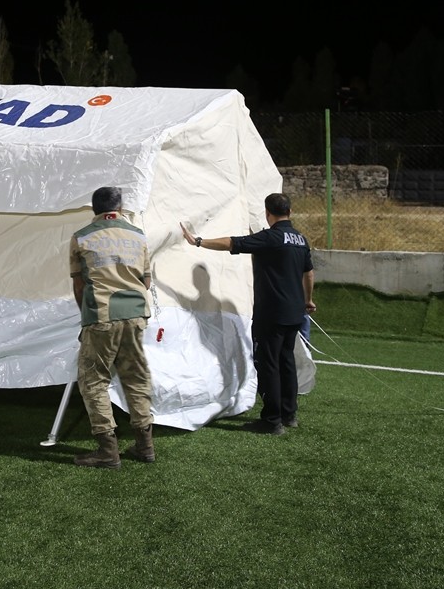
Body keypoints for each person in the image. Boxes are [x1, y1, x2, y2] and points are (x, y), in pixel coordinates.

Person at [180, 192, 315, 435]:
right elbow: (309, 272)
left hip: (272, 312)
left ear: (267, 213)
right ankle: (289, 413)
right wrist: (308, 299)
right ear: (290, 212)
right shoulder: (300, 239)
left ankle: (272, 420)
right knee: (286, 362)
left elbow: (232, 243)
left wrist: (198, 241)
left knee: (269, 364)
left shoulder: (271, 237)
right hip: (295, 312)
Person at [69, 186, 155, 469]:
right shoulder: (138, 235)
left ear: (94, 209)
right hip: (136, 314)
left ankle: (108, 449)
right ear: (119, 207)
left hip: (102, 315)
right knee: (135, 379)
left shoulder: (81, 237)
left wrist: (89, 316)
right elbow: (146, 281)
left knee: (93, 380)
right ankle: (145, 445)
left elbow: (79, 285)